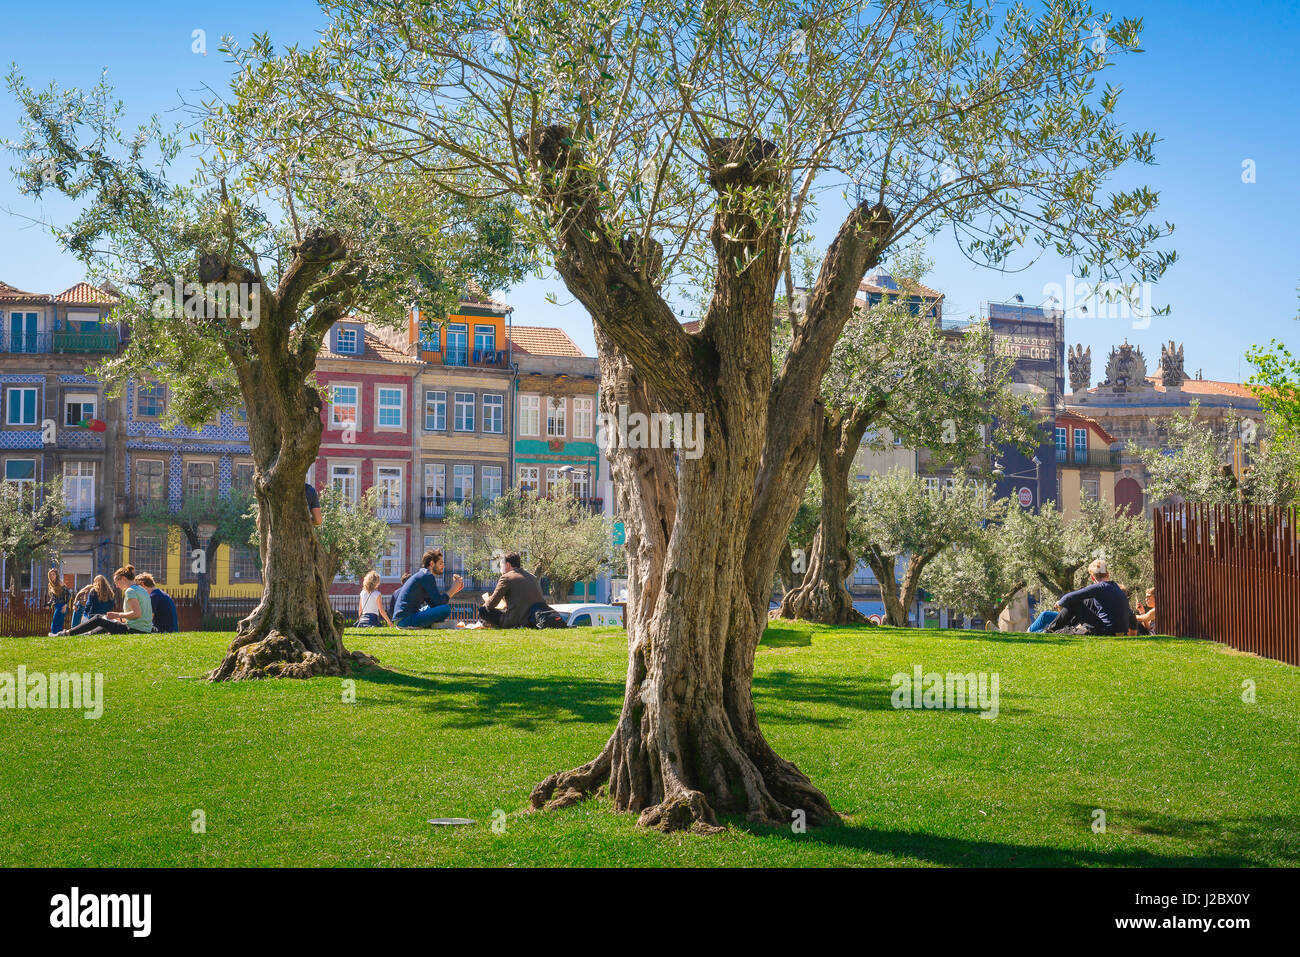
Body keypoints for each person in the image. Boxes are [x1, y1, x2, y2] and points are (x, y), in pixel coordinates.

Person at [60, 565, 154, 635]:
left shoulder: (130, 591)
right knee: (105, 621)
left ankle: (67, 633)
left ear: (123, 579)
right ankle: (86, 635)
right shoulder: (142, 590)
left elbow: (136, 614)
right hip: (144, 630)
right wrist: (120, 618)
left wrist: (116, 615)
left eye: (117, 582)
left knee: (98, 618)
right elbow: (140, 615)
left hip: (134, 630)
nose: (116, 586)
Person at [1045, 558, 1130, 636]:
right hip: (1121, 631)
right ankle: (1064, 628)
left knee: (1075, 601)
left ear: (1093, 578)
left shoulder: (1099, 587)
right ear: (1108, 574)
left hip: (1106, 631)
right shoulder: (1116, 587)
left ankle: (1051, 630)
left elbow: (1069, 597)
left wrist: (1059, 603)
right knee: (1086, 601)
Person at [476, 552, 552, 629]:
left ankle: (492, 625)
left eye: (501, 566)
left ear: (507, 565)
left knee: (483, 610)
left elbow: (491, 604)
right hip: (535, 618)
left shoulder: (506, 577)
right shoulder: (532, 577)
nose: (500, 569)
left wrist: (486, 603)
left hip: (515, 620)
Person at [392, 549, 462, 628]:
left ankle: (434, 625)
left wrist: (454, 590)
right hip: (405, 620)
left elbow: (435, 604)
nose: (443, 566)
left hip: (402, 619)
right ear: (432, 563)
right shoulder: (427, 576)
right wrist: (452, 590)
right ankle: (435, 625)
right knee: (446, 609)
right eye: (441, 563)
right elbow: (439, 604)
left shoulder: (423, 575)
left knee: (437, 608)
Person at [46, 570, 72, 635]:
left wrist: (66, 605)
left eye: (53, 574)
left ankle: (54, 634)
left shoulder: (60, 583)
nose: (52, 576)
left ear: (56, 575)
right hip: (56, 605)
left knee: (55, 622)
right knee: (59, 622)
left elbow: (69, 594)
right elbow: (52, 598)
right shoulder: (50, 585)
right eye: (51, 575)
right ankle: (59, 635)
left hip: (62, 605)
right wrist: (48, 604)